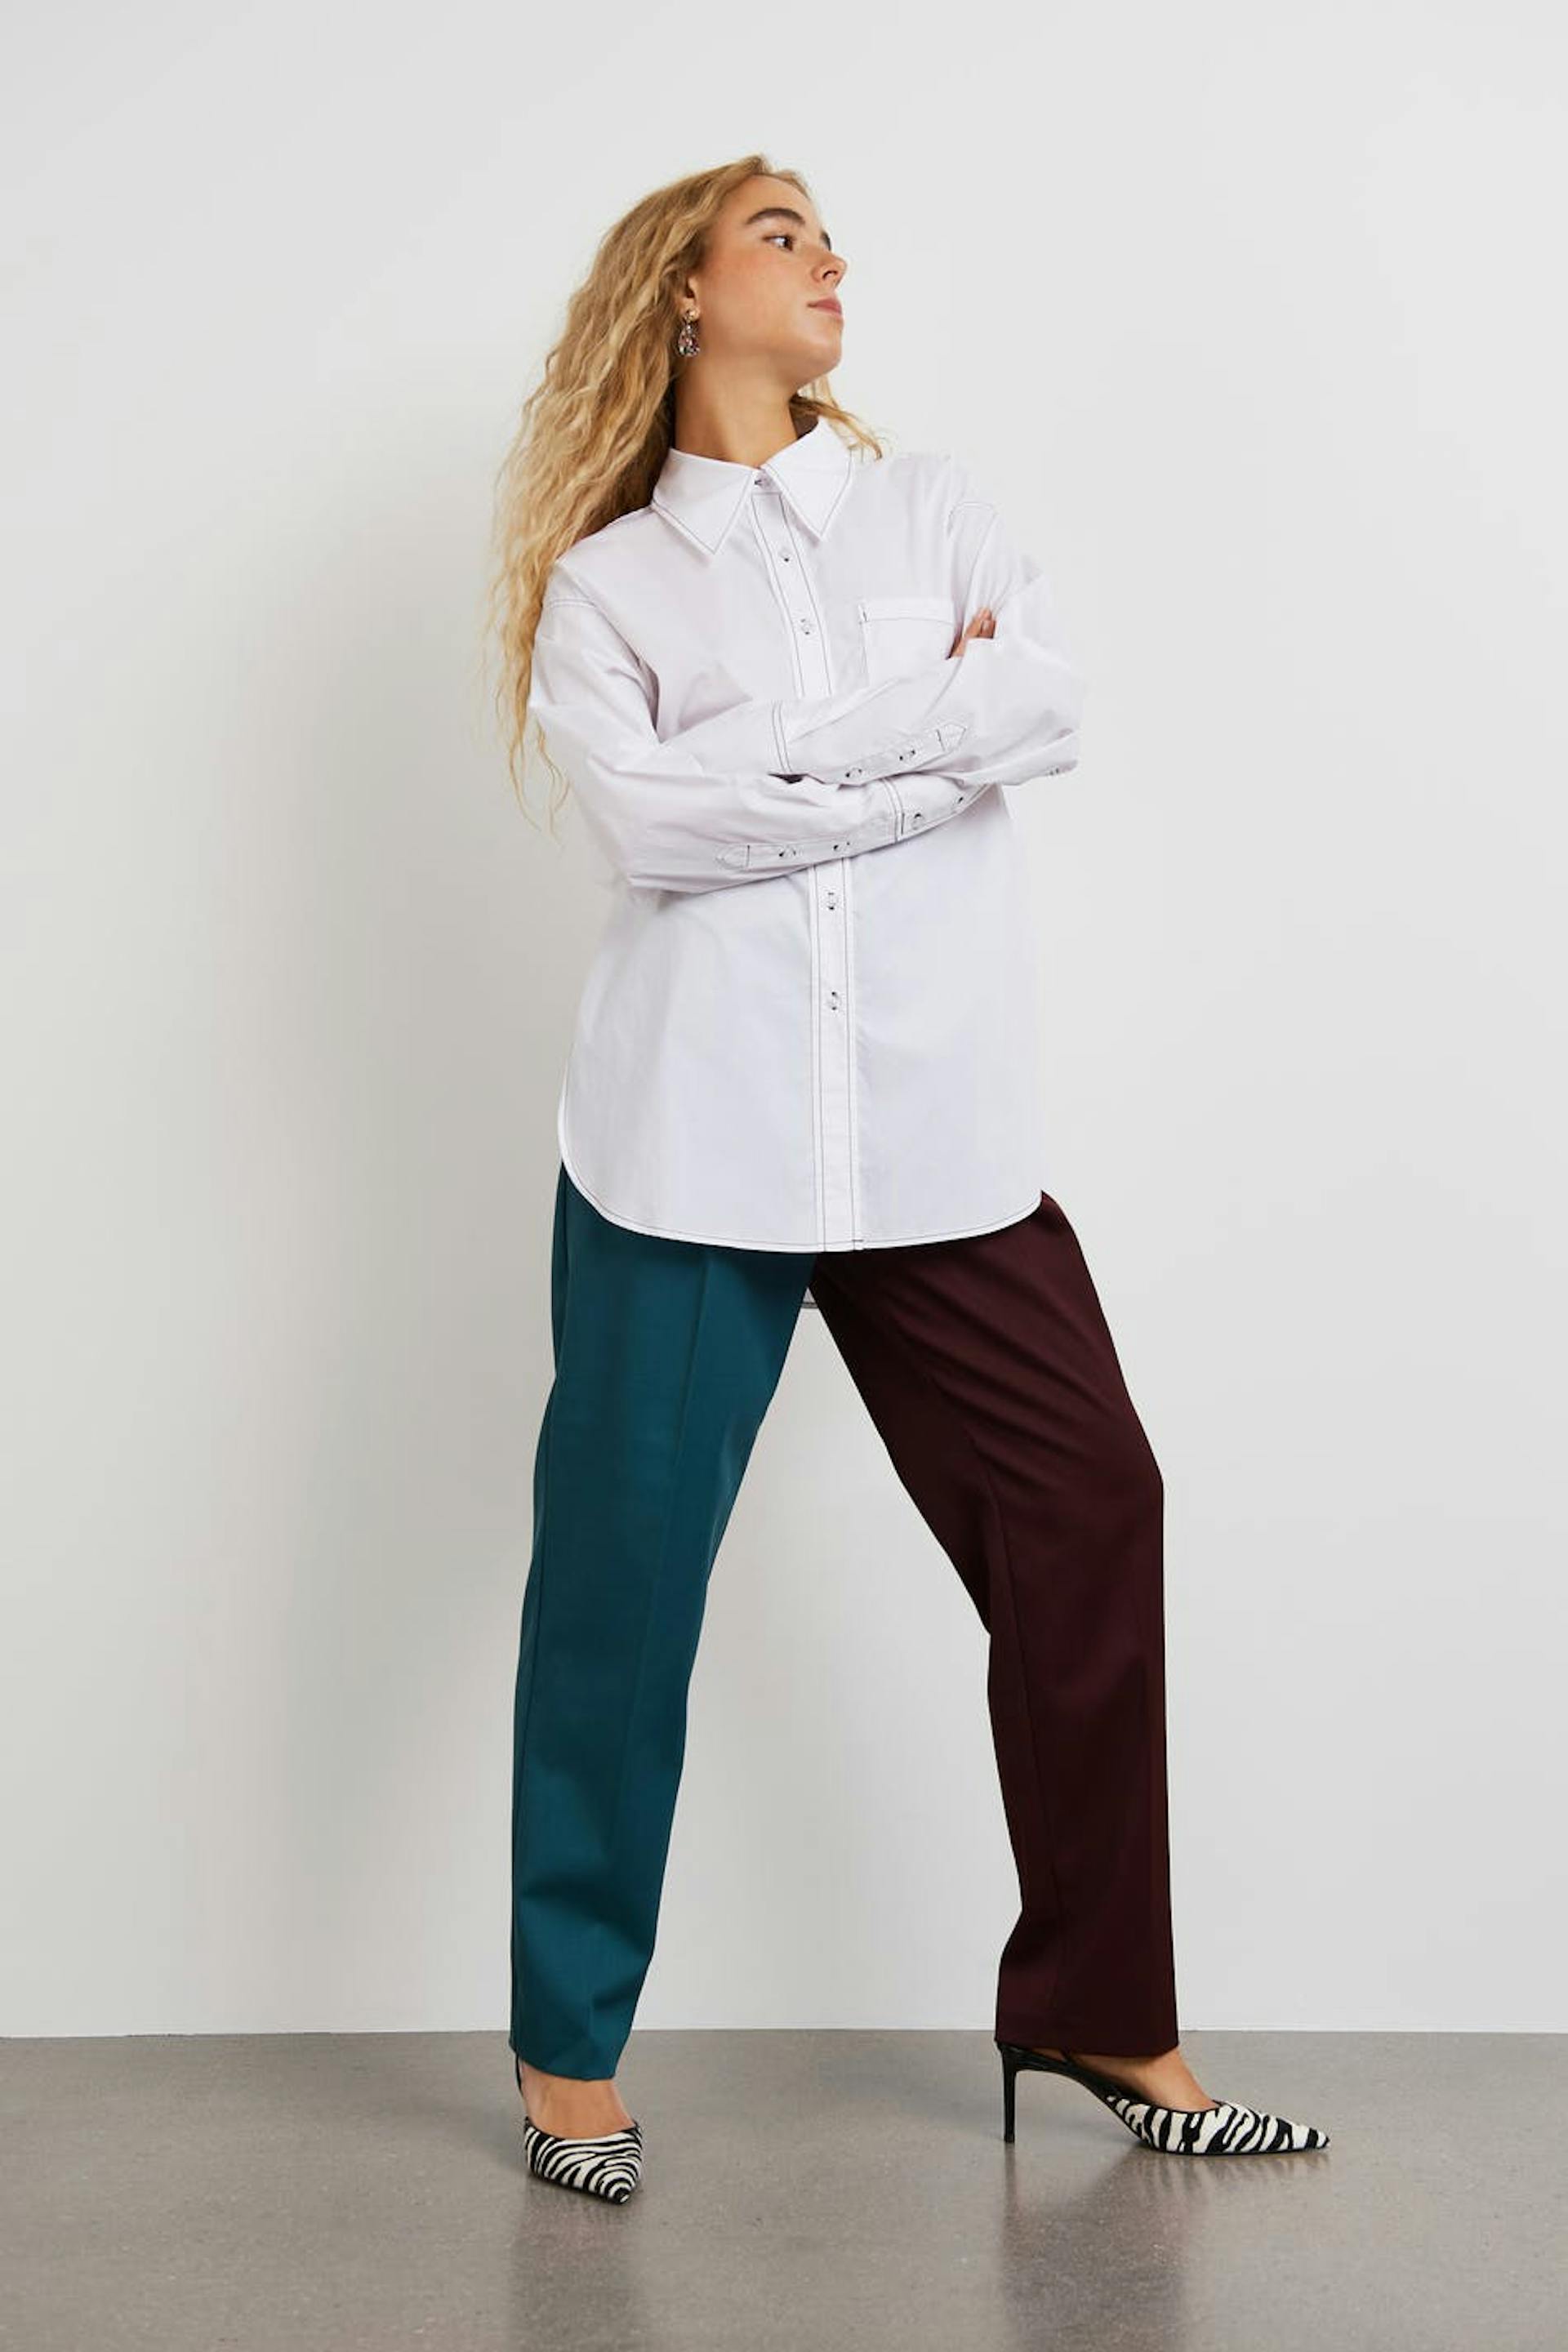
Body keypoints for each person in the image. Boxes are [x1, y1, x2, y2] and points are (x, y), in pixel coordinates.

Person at [484, 154, 1329, 2203]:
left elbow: (1037, 702)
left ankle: (1099, 2008)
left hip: (941, 1144)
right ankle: (566, 2051)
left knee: (1090, 1504)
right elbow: (651, 834)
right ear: (683, 293)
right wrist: (912, 745)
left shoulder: (935, 508)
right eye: (782, 233)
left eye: (828, 233)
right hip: (692, 1150)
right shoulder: (611, 588)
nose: (830, 257)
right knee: (620, 1591)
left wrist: (778, 764)